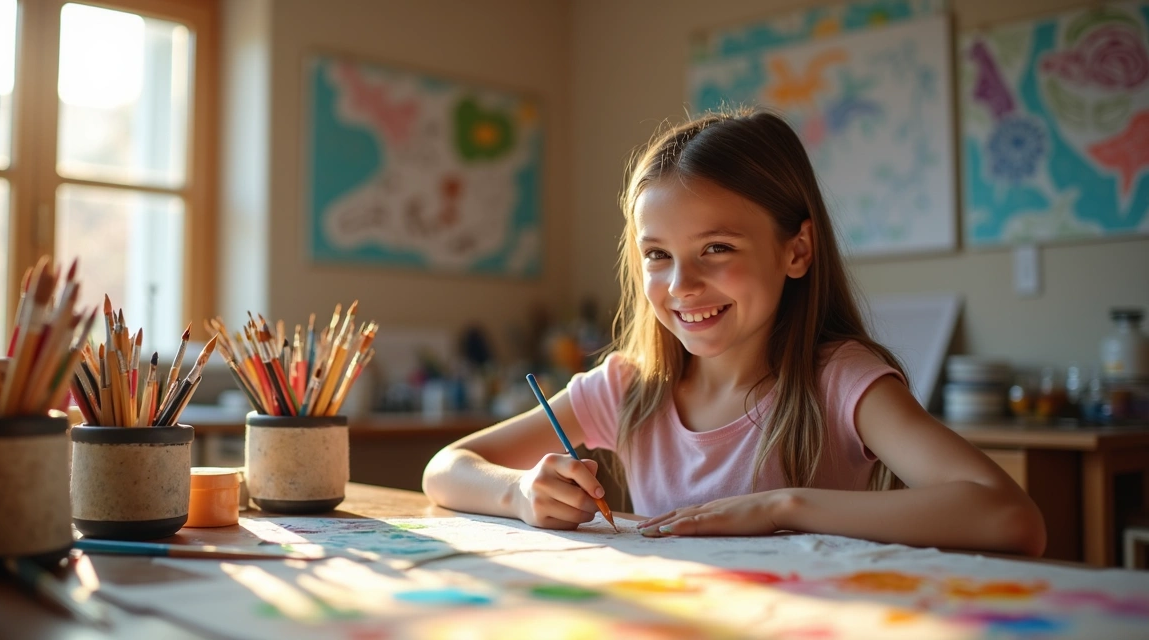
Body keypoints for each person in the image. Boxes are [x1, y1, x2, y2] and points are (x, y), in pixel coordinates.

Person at [422, 108, 1046, 556]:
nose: (681, 285)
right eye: (657, 254)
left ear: (796, 251)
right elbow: (447, 468)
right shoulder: (629, 387)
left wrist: (782, 507)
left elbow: (1009, 516)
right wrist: (520, 492)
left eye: (716, 248)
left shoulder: (840, 380)